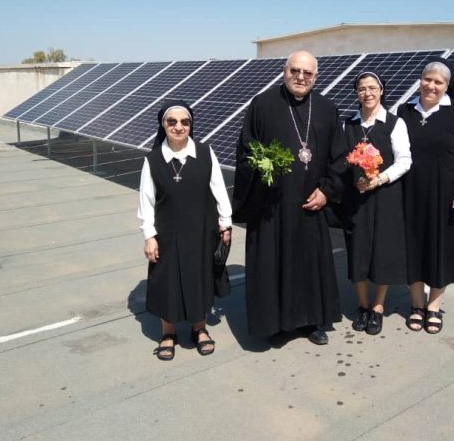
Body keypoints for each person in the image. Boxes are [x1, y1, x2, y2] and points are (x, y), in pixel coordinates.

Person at [233, 50, 345, 345]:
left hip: (312, 203)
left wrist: (327, 190)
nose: (301, 77)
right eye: (295, 70)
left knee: (309, 265)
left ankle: (311, 322)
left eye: (307, 73)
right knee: (274, 264)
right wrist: (260, 172)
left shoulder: (327, 108)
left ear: (316, 77)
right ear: (285, 71)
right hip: (272, 206)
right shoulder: (263, 105)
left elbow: (340, 157)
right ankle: (276, 324)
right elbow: (246, 150)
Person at [138, 100, 232, 360]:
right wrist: (149, 236)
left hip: (202, 231)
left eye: (185, 122)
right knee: (168, 282)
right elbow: (146, 202)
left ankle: (199, 329)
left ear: (191, 125)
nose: (179, 127)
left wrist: (225, 222)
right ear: (163, 125)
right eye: (172, 122)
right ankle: (168, 333)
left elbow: (219, 190)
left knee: (198, 279)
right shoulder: (153, 160)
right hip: (167, 234)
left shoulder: (205, 152)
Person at [397, 58, 454, 334]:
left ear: (447, 85)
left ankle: (433, 307)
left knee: (442, 251)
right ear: (420, 80)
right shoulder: (404, 111)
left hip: (447, 195)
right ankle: (416, 305)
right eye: (427, 79)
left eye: (439, 82)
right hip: (411, 194)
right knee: (413, 249)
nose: (431, 86)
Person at [340, 71, 412, 335]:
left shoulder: (395, 123)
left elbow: (405, 160)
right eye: (361, 88)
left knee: (383, 252)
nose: (367, 93)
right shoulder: (348, 124)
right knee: (357, 250)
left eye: (372, 88)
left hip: (385, 196)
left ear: (381, 90)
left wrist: (379, 179)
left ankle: (378, 307)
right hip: (356, 198)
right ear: (356, 92)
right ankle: (362, 304)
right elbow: (340, 158)